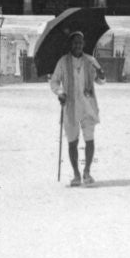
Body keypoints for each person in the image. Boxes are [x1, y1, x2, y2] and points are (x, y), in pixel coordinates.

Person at [49, 30, 105, 187]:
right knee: (72, 142)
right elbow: (54, 82)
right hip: (71, 107)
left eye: (80, 42)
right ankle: (76, 174)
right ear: (70, 44)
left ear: (84, 44)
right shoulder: (62, 62)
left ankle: (87, 171)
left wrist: (101, 74)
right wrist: (60, 93)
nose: (78, 45)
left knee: (89, 139)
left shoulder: (90, 60)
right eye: (75, 42)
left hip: (88, 106)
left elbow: (101, 81)